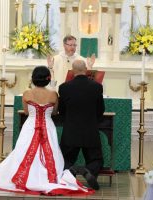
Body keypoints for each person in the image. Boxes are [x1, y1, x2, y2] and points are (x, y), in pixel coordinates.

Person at [0, 66, 94, 195]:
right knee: (51, 152)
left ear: (33, 79)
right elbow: (55, 112)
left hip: (30, 126)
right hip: (48, 126)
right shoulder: (53, 94)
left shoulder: (27, 93)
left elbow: (25, 111)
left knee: (23, 151)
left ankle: (25, 176)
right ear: (48, 79)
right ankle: (49, 177)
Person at [58, 60, 105, 190]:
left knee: (65, 158)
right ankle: (89, 171)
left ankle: (70, 173)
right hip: (90, 130)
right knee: (96, 159)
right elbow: (100, 110)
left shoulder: (64, 87)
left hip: (71, 130)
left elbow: (62, 111)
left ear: (72, 71)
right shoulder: (96, 87)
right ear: (86, 70)